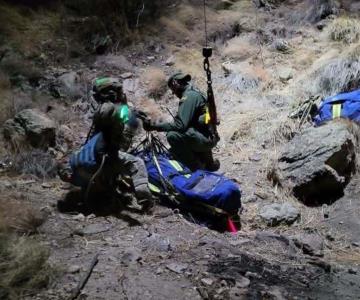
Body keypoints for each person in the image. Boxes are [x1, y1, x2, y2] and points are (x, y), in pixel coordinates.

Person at [59, 77, 152, 211]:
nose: (122, 94)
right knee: (136, 163)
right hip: (103, 158)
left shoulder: (99, 108)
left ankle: (97, 192)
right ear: (113, 93)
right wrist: (135, 116)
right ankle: (145, 200)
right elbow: (128, 123)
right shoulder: (115, 108)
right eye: (119, 91)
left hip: (88, 159)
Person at [143, 72, 220, 171]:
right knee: (181, 141)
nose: (174, 94)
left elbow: (180, 126)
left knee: (172, 135)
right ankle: (208, 162)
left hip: (205, 139)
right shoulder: (195, 93)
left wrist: (154, 126)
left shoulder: (188, 97)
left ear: (175, 83)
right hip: (209, 136)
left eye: (173, 90)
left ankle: (196, 167)